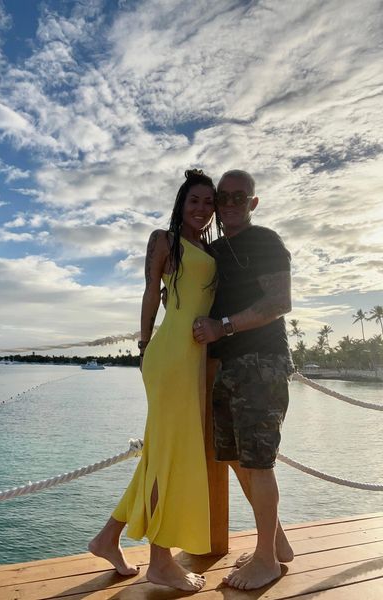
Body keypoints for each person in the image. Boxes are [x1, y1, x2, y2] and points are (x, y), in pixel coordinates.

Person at [89, 169, 219, 591]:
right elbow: (150, 292)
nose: (201, 209)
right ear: (182, 203)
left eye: (209, 202)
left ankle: (107, 538)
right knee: (170, 456)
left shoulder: (210, 248)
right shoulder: (164, 240)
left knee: (160, 454)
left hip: (195, 359)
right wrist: (144, 347)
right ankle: (160, 561)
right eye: (194, 200)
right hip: (170, 357)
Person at [193, 169, 294, 590]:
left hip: (260, 363)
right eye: (224, 197)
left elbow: (279, 302)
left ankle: (267, 560)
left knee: (258, 462)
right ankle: (277, 543)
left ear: (253, 203)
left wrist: (223, 327)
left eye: (239, 197)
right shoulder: (215, 250)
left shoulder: (264, 241)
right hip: (227, 366)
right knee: (235, 457)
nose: (230, 204)